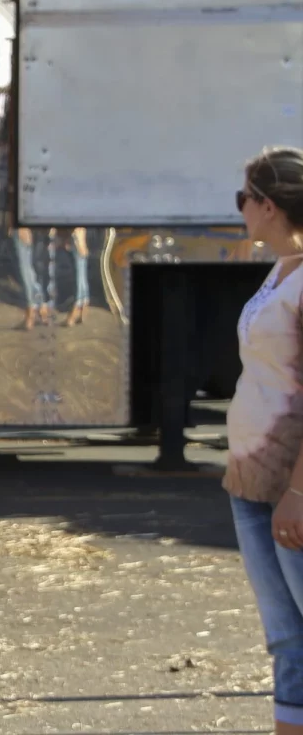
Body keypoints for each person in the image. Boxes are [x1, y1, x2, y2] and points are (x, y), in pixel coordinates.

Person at [226, 147, 303, 735]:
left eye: (243, 198)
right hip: (252, 478)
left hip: (290, 485)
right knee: (285, 636)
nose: (240, 209)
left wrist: (298, 491)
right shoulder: (279, 270)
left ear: (269, 206)